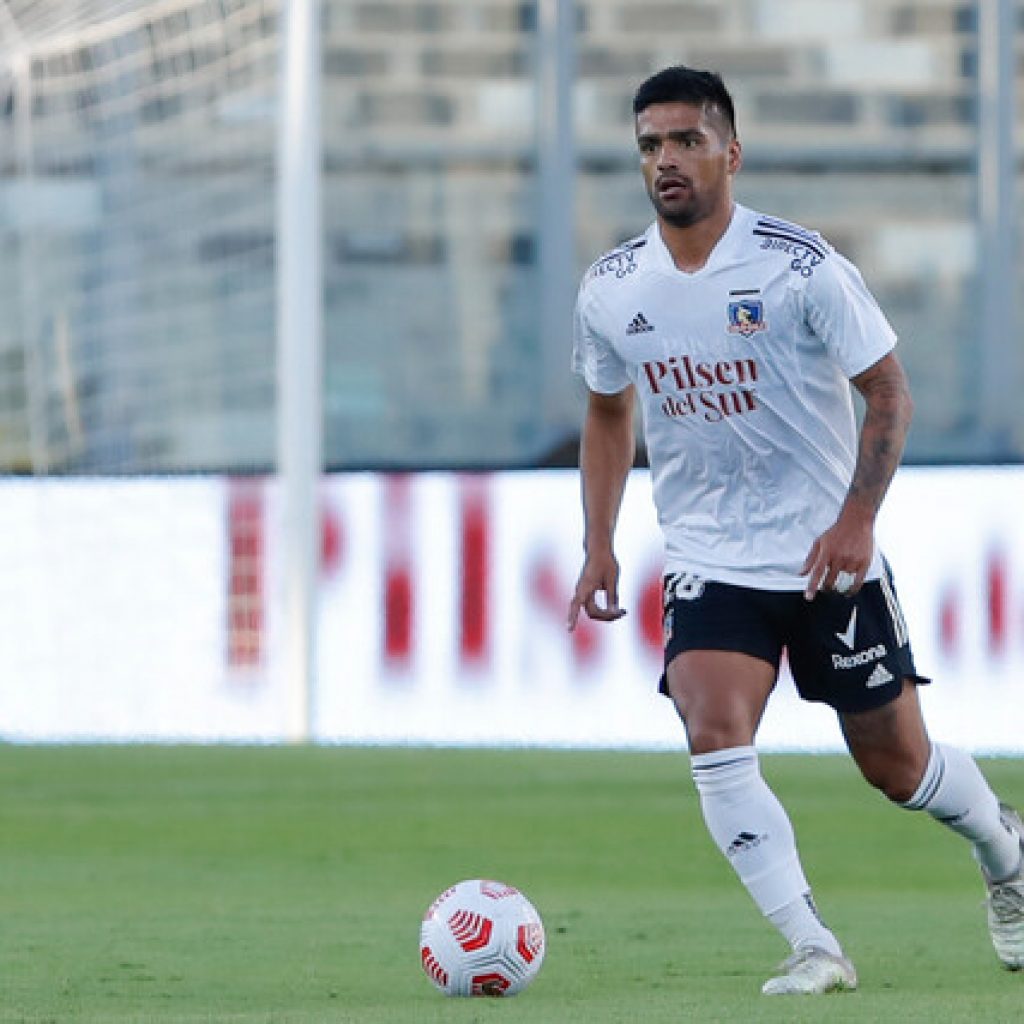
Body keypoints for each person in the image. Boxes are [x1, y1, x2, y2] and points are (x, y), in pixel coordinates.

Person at [567, 64, 1024, 995]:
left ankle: (1005, 854)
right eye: (650, 144)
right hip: (708, 557)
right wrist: (599, 541)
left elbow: (889, 393)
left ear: (731, 153)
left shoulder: (801, 266)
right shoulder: (612, 287)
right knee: (711, 724)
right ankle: (814, 944)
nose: (666, 159)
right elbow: (609, 412)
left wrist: (858, 521)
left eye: (687, 140)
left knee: (899, 767)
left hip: (825, 555)